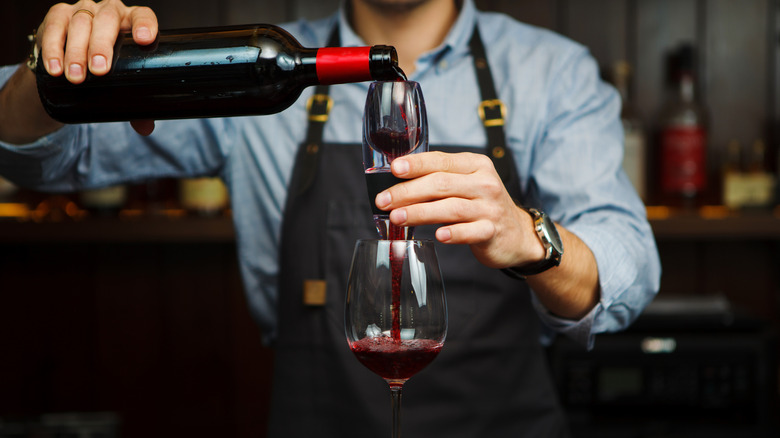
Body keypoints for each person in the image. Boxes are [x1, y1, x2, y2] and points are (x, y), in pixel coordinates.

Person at [0, 0, 661, 436]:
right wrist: (49, 66)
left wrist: (529, 235)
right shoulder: (250, 67)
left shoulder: (551, 74)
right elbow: (41, 158)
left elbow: (627, 265)